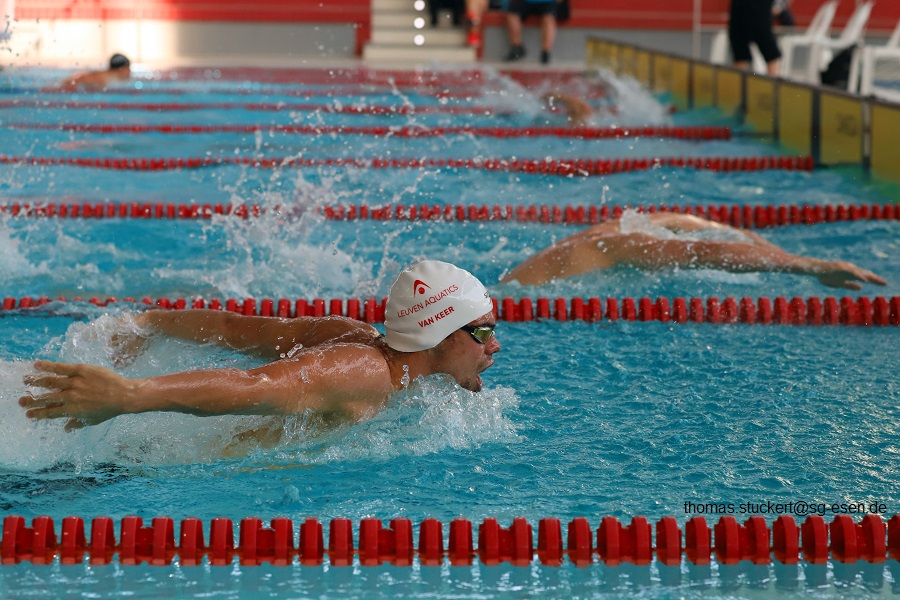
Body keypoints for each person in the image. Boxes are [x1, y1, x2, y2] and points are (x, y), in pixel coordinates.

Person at [19, 261, 500, 432]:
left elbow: (234, 329)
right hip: (129, 472)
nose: (495, 346)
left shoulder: (354, 332)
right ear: (441, 333)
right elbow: (254, 385)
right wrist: (126, 396)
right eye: (483, 332)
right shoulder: (362, 371)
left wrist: (148, 323)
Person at [501, 211, 887, 289]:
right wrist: (810, 267)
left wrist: (759, 243)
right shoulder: (628, 244)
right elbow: (707, 251)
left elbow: (696, 226)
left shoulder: (610, 228)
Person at [728, 0, 781, 76]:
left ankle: (774, 85)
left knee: (771, 54)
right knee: (741, 57)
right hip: (741, 13)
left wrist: (778, 6)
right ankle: (739, 84)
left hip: (759, 13)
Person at [503, 0, 562, 64]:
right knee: (512, 15)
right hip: (527, 2)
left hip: (549, 2)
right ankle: (517, 48)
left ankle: (545, 52)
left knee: (549, 19)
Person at [55, 53, 131, 92]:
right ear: (121, 69)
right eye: (128, 68)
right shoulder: (102, 77)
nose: (129, 72)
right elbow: (70, 82)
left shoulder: (114, 79)